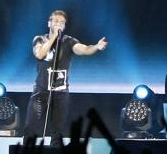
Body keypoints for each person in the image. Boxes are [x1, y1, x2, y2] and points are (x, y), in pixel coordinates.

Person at [27, 10, 107, 139]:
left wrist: (96, 47)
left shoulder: (69, 41)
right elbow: (40, 54)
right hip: (40, 92)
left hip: (61, 93)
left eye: (62, 22)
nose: (59, 24)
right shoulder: (39, 39)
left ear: (64, 26)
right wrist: (54, 37)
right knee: (31, 127)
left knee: (57, 131)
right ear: (49, 23)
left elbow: (84, 49)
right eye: (56, 21)